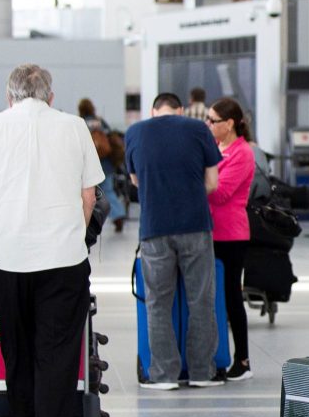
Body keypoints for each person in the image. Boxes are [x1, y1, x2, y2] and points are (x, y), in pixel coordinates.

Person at [0, 65, 105, 417]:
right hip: (63, 260)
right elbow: (89, 194)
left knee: (17, 352)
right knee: (57, 355)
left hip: (6, 260)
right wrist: (72, 235)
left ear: (10, 97)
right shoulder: (75, 126)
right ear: (50, 96)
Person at [125, 92, 225, 390]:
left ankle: (163, 374)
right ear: (180, 110)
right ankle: (201, 372)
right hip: (195, 224)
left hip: (154, 227)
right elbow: (213, 183)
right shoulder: (197, 129)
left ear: (154, 110)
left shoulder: (135, 132)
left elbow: (134, 181)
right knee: (201, 301)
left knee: (157, 303)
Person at [205, 97, 256, 382]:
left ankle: (243, 359)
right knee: (212, 298)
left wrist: (195, 180)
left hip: (230, 234)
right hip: (209, 232)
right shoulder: (214, 148)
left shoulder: (242, 153)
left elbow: (221, 193)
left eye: (213, 120)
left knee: (231, 297)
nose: (208, 125)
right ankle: (217, 355)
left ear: (229, 124)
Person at [77, 99, 128, 234]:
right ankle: (118, 214)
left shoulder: (80, 122)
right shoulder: (99, 121)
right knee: (108, 190)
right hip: (106, 162)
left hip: (90, 163)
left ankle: (90, 220)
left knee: (88, 192)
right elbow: (111, 136)